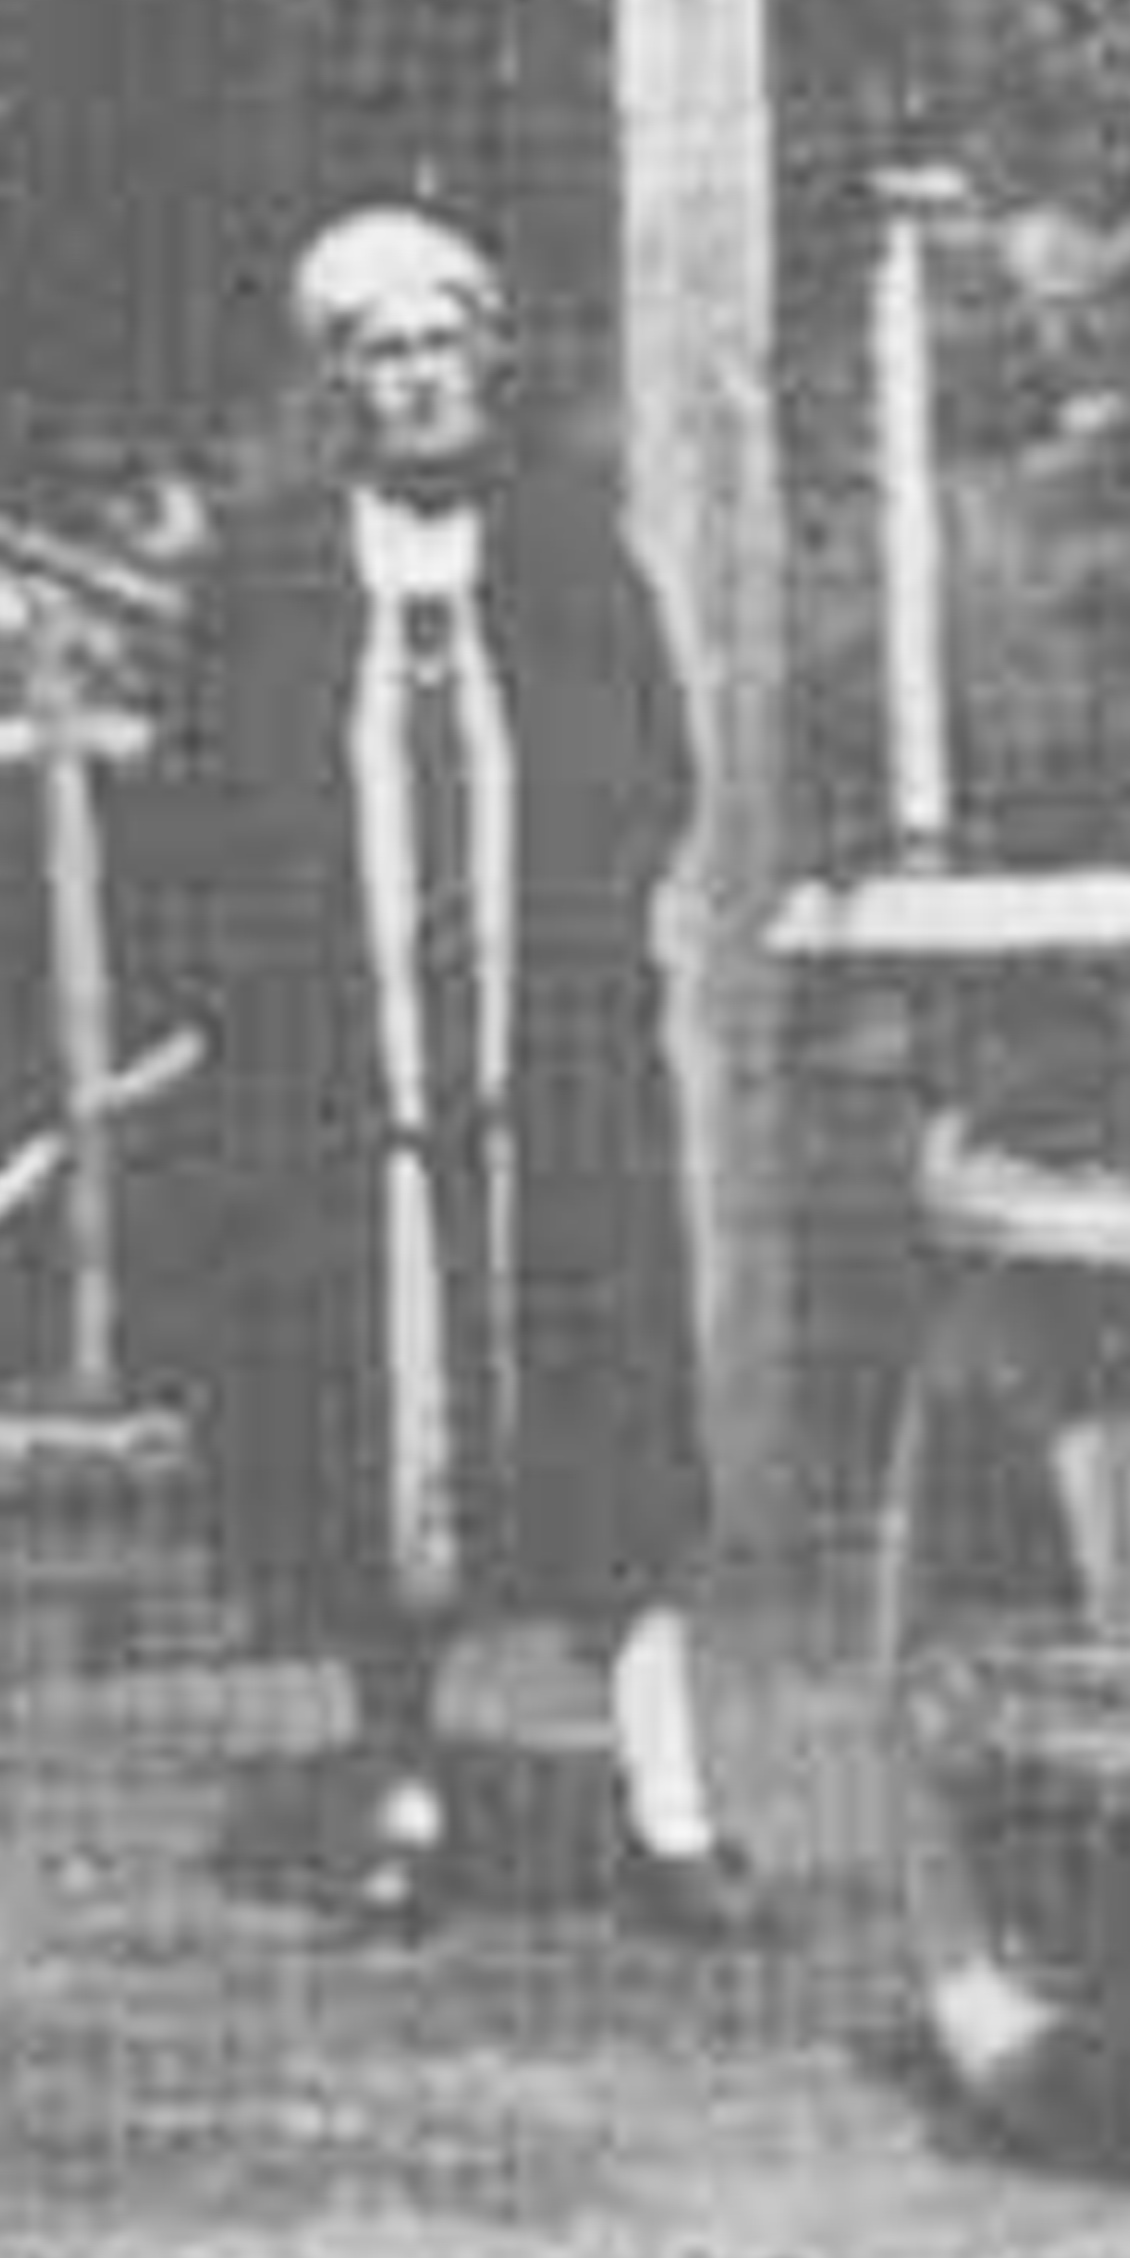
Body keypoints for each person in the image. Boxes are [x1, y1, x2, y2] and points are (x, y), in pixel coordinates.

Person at [148, 204, 770, 1944]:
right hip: (346, 1103)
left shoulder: (568, 557)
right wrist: (268, 1015)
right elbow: (191, 823)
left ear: (482, 357)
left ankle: (669, 1812)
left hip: (548, 1083)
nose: (416, 382)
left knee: (610, 1424)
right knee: (374, 1431)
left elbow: (652, 776)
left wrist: (550, 956)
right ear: (336, 381)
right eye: (379, 355)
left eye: (439, 347)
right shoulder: (265, 580)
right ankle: (402, 1794)